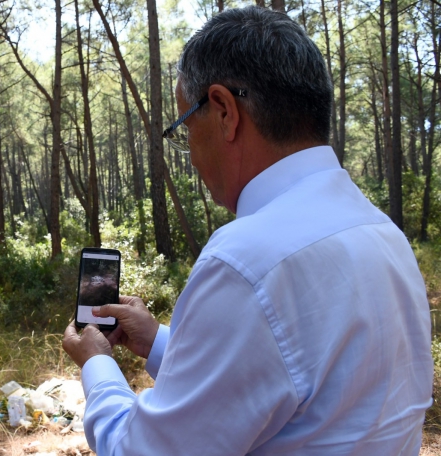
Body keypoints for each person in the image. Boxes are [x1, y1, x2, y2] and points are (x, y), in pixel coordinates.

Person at [62, 6, 434, 455]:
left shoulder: (246, 261)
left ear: (223, 111)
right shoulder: (383, 234)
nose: (192, 156)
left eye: (185, 129)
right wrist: (158, 340)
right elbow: (300, 391)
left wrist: (97, 366)